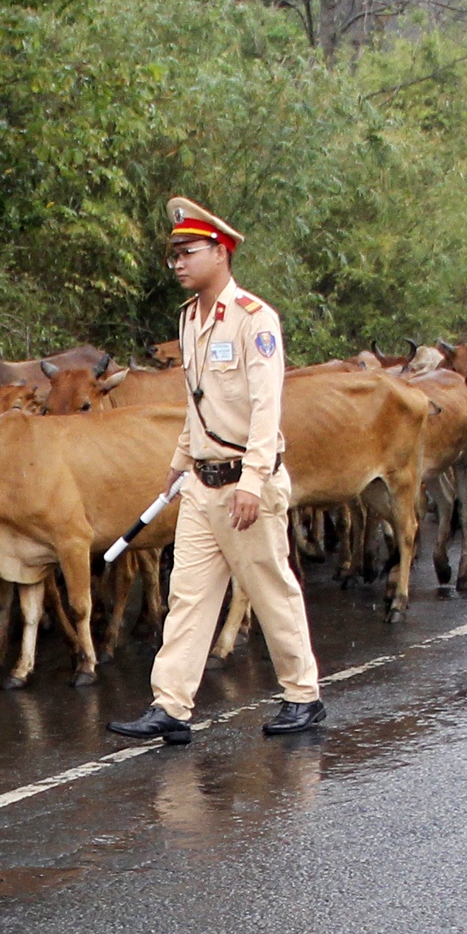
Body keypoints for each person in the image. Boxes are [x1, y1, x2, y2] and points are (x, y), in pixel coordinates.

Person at [109, 197, 324, 746]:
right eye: (173, 254)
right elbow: (196, 403)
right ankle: (171, 706)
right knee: (189, 596)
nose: (178, 263)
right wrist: (179, 462)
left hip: (245, 484)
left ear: (219, 251)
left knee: (270, 587)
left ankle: (303, 695)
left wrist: (252, 481)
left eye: (187, 251)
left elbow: (266, 407)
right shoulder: (188, 320)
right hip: (202, 483)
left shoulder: (255, 319)